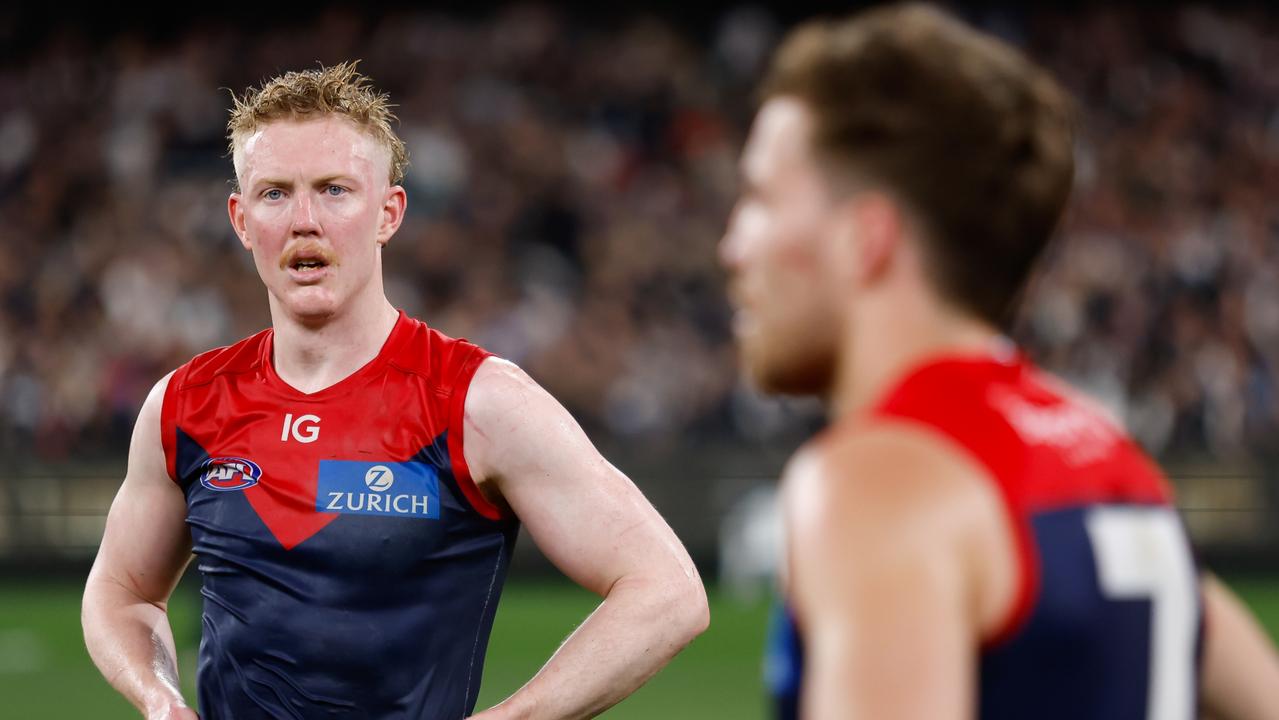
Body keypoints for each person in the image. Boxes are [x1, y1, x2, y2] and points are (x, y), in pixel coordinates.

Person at [82, 62, 708, 720]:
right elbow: (122, 591)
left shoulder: (475, 401)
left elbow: (666, 592)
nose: (304, 220)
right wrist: (158, 698)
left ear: (388, 213)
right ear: (240, 220)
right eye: (274, 194)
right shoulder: (184, 404)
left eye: (333, 190)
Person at [718, 4, 1279, 719]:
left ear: (866, 239)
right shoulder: (1109, 459)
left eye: (760, 198)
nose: (732, 247)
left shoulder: (880, 480)